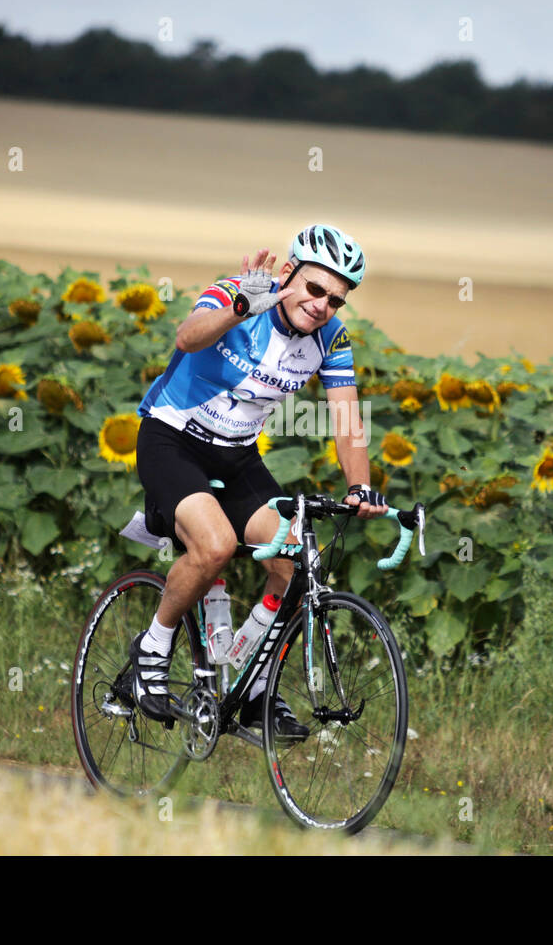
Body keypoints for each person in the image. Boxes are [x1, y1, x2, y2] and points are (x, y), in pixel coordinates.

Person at [129, 224, 387, 740]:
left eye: (335, 300)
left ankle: (255, 691)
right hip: (172, 439)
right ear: (289, 272)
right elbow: (188, 336)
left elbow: (347, 422)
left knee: (294, 564)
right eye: (314, 289)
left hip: (236, 456)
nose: (321, 306)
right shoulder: (238, 293)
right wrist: (242, 306)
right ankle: (151, 649)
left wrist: (359, 487)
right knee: (216, 545)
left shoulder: (331, 339)